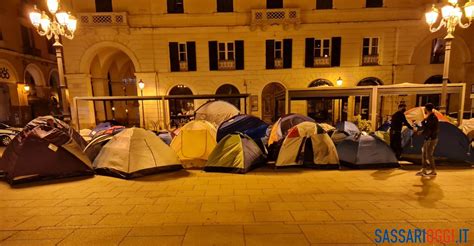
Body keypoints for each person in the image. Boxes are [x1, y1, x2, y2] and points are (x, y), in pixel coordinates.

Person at [416, 103, 439, 176]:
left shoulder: (432, 118)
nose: (424, 110)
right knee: (424, 154)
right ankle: (424, 169)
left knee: (429, 154)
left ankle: (433, 170)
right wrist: (423, 122)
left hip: (431, 138)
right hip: (429, 138)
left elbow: (430, 130)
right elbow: (427, 128)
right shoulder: (430, 117)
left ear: (426, 109)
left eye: (425, 108)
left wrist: (422, 133)